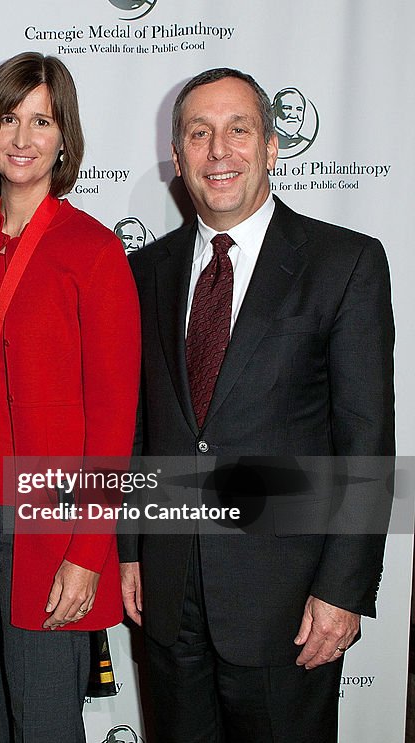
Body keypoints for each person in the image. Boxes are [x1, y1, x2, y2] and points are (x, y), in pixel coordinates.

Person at [118, 68, 393, 742]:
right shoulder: (144, 272)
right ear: (177, 158)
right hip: (169, 589)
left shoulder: (344, 263)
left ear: (271, 146)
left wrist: (343, 588)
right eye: (199, 134)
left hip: (288, 603)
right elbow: (138, 427)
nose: (219, 151)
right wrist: (129, 551)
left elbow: (366, 441)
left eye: (238, 130)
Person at [0, 52, 140, 742]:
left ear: (63, 137)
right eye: (10, 118)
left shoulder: (94, 249)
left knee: (45, 718)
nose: (22, 137)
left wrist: (87, 550)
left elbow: (114, 417)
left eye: (41, 120)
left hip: (49, 525)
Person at [273, 87, 312, 152]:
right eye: (287, 108)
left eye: (299, 109)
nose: (293, 115)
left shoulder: (305, 142)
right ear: (274, 111)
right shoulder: (264, 142)